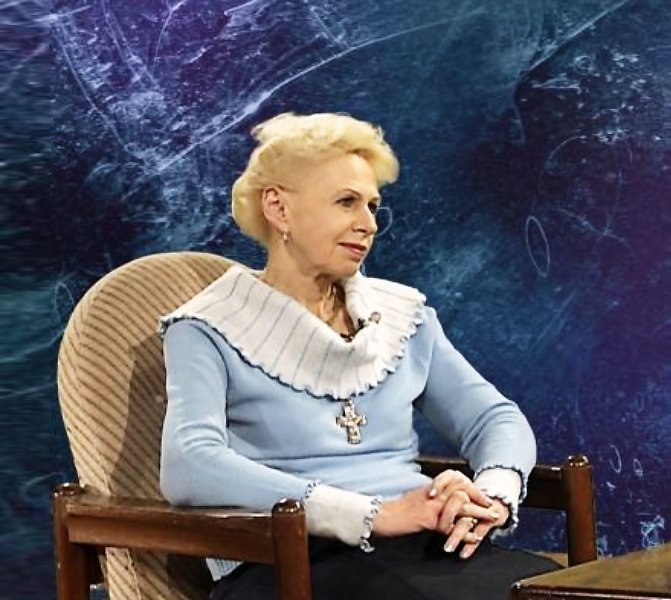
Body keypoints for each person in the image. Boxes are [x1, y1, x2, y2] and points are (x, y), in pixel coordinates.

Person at [159, 112, 560, 599]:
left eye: (372, 206)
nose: (369, 224)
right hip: (289, 560)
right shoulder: (207, 326)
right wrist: (371, 514)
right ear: (279, 208)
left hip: (422, 545)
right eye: (346, 202)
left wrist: (491, 493)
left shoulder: (403, 316)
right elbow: (189, 465)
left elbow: (493, 418)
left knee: (558, 591)